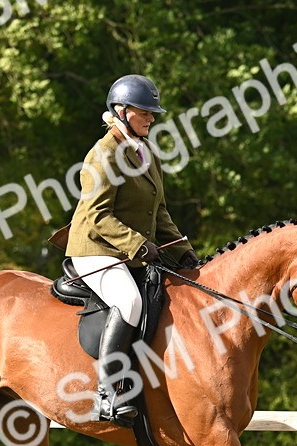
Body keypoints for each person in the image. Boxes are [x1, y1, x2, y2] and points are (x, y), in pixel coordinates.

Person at [66, 74, 199, 427]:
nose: (152, 118)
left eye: (152, 113)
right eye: (145, 112)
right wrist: (138, 244)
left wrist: (184, 249)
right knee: (130, 301)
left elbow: (161, 210)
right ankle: (109, 393)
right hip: (96, 248)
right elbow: (97, 215)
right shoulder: (103, 153)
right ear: (121, 112)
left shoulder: (145, 153)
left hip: (129, 250)